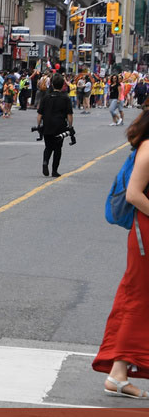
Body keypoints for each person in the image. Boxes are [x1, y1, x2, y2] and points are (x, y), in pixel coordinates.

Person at [93, 107, 149, 399]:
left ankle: (118, 372)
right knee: (138, 298)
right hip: (145, 233)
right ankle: (117, 372)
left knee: (138, 298)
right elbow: (133, 194)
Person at [36, 73, 73, 178]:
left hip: (47, 125)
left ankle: (45, 162)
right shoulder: (65, 98)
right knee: (58, 148)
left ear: (52, 84)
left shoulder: (46, 97)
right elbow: (69, 115)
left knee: (48, 147)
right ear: (62, 85)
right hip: (60, 126)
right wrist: (70, 127)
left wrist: (39, 125)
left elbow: (40, 114)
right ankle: (54, 170)